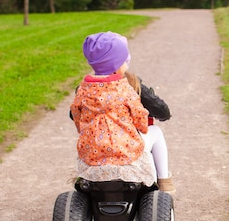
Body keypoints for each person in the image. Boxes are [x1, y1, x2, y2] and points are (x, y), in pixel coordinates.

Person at [70, 31, 174, 193]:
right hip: (125, 149)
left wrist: (82, 127)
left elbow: (74, 114)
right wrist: (142, 127)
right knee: (157, 132)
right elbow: (142, 113)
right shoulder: (127, 86)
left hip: (93, 151)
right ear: (119, 62)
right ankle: (164, 181)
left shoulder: (84, 89)